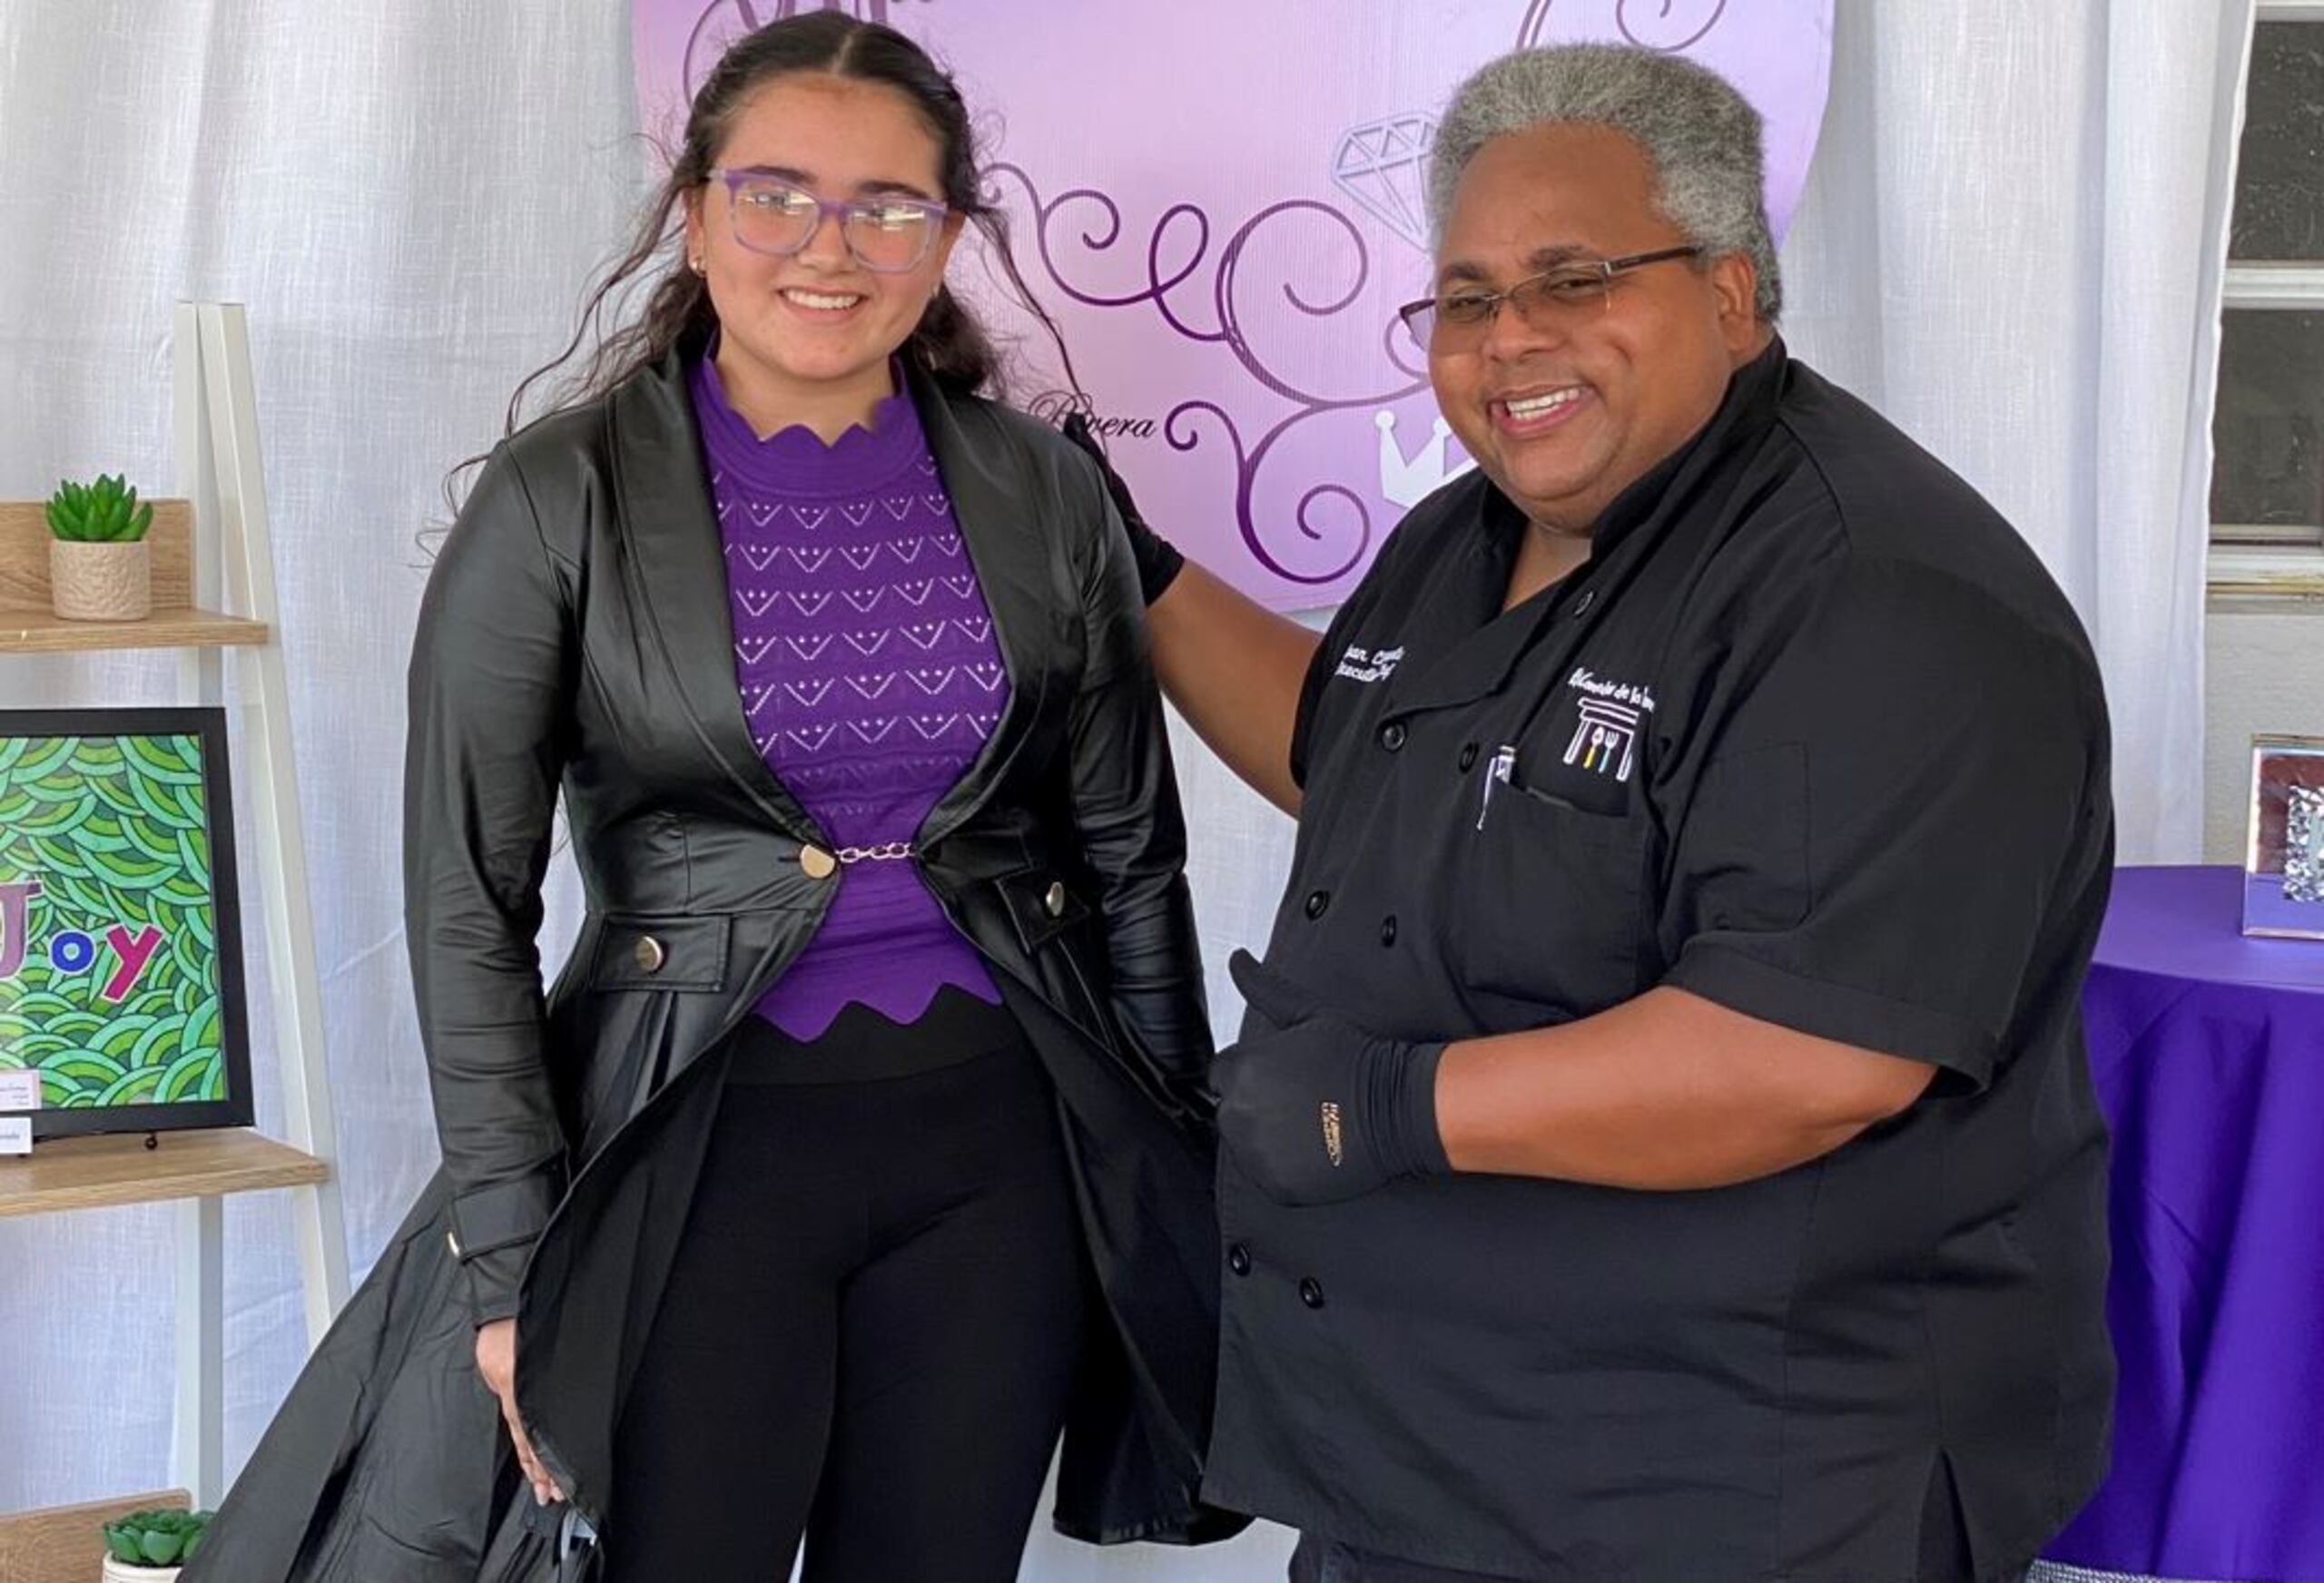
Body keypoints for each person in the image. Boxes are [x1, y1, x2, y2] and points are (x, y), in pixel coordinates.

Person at [185, 15, 1242, 1582]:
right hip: (690, 1160)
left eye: (891, 205)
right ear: (694, 211)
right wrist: (511, 1258)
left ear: (949, 233)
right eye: (777, 195)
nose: (833, 246)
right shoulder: (562, 497)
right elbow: (466, 900)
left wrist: (1175, 1182)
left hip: (1000, 1160)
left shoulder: (1045, 489)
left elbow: (1131, 864)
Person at [1073, 42, 2115, 1583]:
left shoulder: (1875, 595)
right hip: (1430, 1461)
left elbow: (1806, 1056)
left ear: (1734, 290)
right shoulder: (1468, 534)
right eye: (1472, 297)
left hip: (1725, 1484)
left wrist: (1373, 1108)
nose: (1513, 340)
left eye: (1576, 279)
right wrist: (1127, 567)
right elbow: (1353, 756)